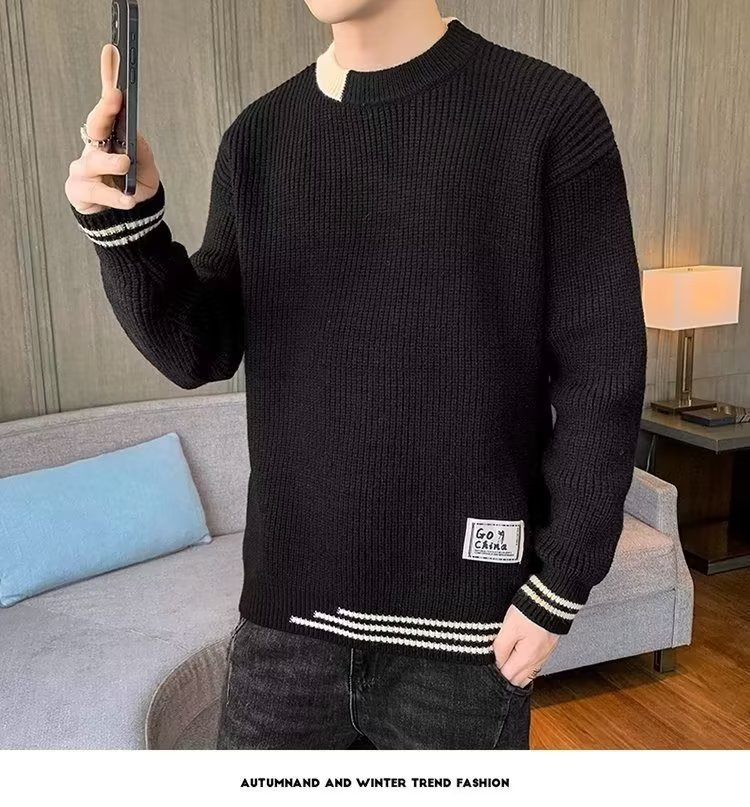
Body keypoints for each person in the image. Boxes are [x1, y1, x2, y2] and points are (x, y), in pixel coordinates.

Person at [65, 0, 647, 750]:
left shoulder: (547, 114)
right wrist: (125, 227)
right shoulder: (260, 137)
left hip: (464, 640)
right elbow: (198, 349)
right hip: (285, 626)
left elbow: (603, 372)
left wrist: (561, 581)